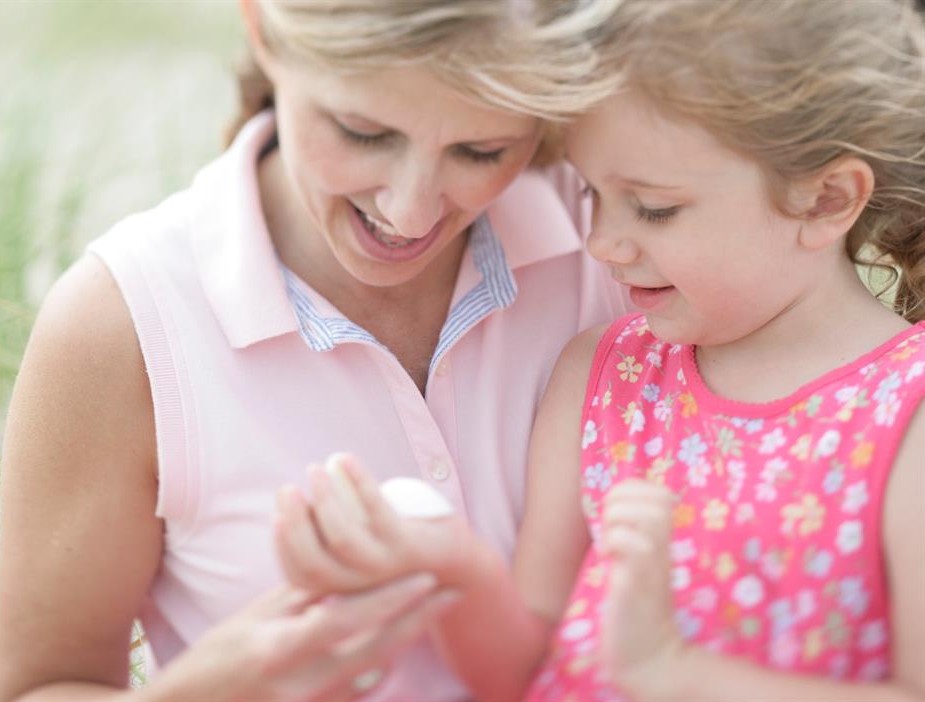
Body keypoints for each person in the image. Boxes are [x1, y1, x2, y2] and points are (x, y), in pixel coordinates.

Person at [275, 0, 925, 700]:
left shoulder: (905, 408)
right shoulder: (605, 374)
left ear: (827, 199)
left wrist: (672, 673)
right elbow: (524, 668)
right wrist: (453, 570)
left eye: (653, 208)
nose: (602, 243)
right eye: (593, 193)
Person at [0, 0, 631, 699]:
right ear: (263, 30)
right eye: (363, 132)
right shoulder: (121, 326)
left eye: (482, 151)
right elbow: (40, 685)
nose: (410, 212)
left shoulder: (626, 233)